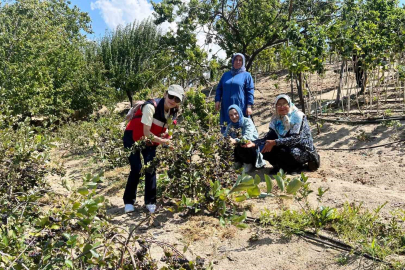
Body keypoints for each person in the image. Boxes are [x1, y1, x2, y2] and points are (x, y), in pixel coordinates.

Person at [122, 85, 184, 214]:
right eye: (171, 96)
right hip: (133, 137)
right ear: (165, 94)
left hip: (151, 141)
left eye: (176, 99)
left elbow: (168, 131)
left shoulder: (173, 112)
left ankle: (150, 201)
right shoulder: (151, 107)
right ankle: (128, 201)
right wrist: (162, 141)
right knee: (137, 168)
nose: (172, 100)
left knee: (151, 167)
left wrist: (169, 140)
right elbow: (146, 133)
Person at [243, 94, 320, 174]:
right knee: (265, 147)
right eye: (279, 104)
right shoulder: (276, 118)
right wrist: (255, 143)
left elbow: (296, 139)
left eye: (284, 104)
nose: (281, 107)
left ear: (289, 104)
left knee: (287, 151)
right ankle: (279, 166)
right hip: (284, 144)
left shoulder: (298, 116)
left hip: (302, 148)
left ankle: (296, 167)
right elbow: (269, 136)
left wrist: (275, 142)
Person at [215, 53, 254, 133]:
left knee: (239, 124)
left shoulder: (247, 75)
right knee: (226, 124)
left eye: (240, 60)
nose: (238, 62)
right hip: (226, 105)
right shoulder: (226, 75)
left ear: (243, 62)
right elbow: (219, 88)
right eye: (236, 59)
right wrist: (217, 100)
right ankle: (226, 142)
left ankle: (241, 142)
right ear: (233, 61)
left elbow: (250, 91)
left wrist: (249, 106)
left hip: (240, 105)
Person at [223, 105, 265, 173]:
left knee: (243, 143)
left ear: (239, 113)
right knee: (226, 144)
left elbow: (247, 138)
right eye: (231, 115)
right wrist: (226, 139)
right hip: (239, 150)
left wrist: (235, 140)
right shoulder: (230, 125)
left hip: (251, 148)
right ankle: (237, 162)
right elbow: (225, 136)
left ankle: (248, 163)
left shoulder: (247, 121)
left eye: (235, 114)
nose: (234, 117)